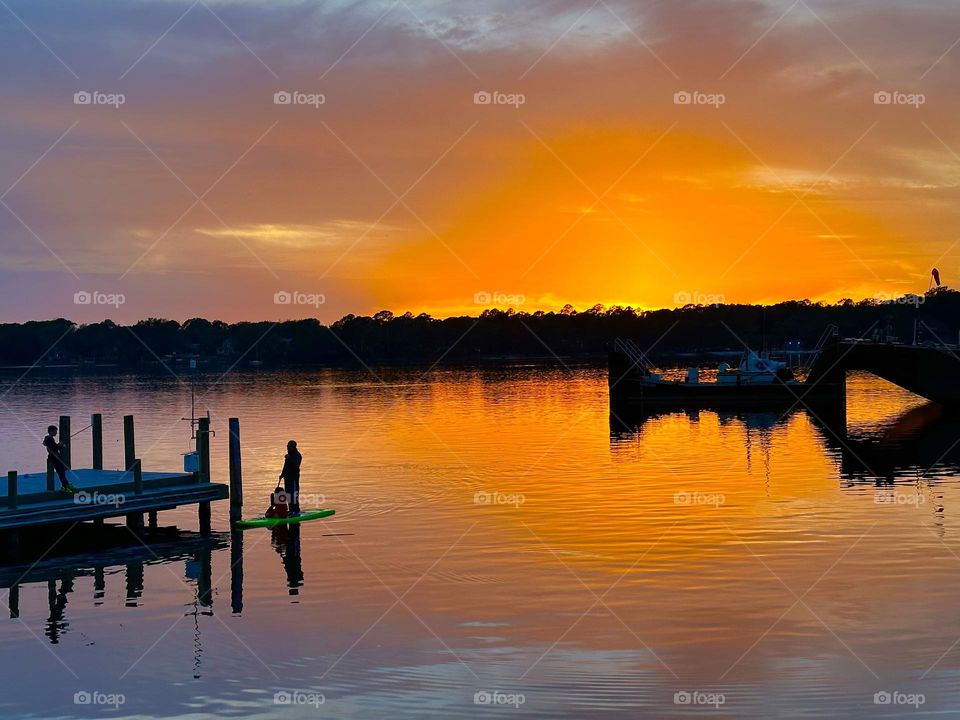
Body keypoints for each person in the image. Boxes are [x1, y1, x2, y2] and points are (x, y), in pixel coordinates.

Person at [43, 425, 77, 494]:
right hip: (54, 458)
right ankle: (65, 486)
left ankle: (66, 484)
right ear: (51, 431)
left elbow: (52, 445)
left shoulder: (47, 438)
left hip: (54, 457)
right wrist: (61, 445)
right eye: (55, 431)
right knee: (61, 472)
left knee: (62, 471)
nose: (56, 433)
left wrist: (59, 445)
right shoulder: (50, 439)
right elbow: (54, 447)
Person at [279, 440, 302, 514]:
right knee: (288, 494)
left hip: (293, 479)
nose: (287, 448)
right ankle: (291, 510)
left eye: (289, 446)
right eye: (287, 446)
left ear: (293, 447)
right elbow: (285, 466)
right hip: (287, 478)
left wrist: (289, 458)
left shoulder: (297, 455)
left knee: (294, 495)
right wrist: (282, 474)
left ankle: (296, 510)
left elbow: (296, 466)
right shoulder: (289, 456)